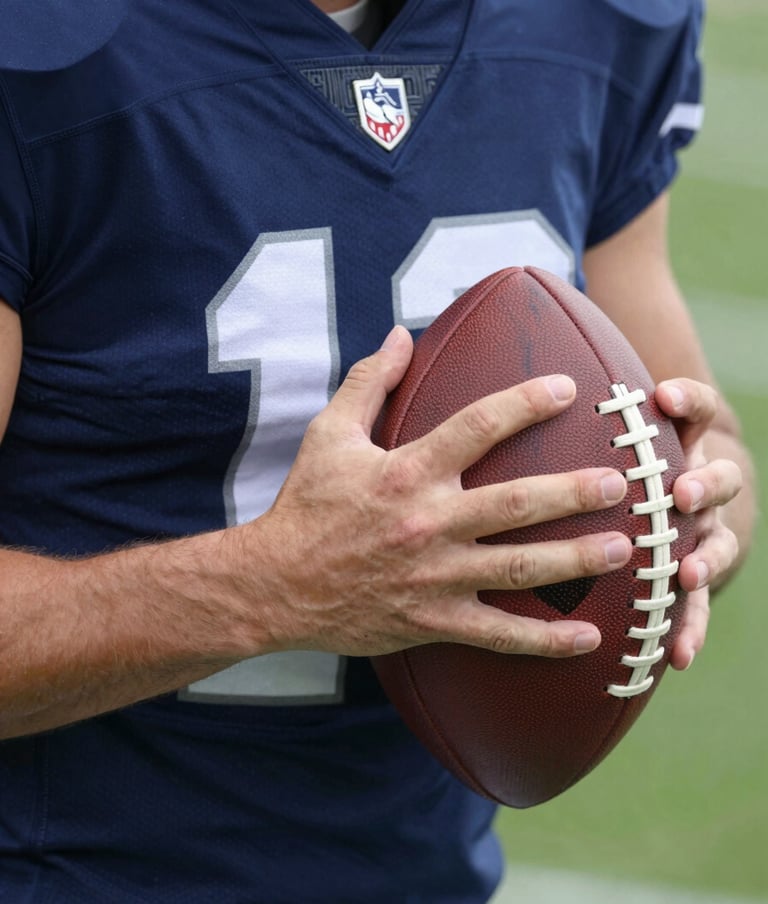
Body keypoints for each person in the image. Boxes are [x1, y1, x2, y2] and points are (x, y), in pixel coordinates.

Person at [0, 0, 754, 901]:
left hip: (424, 871)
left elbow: (707, 449)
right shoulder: (36, 47)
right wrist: (273, 584)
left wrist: (690, 518)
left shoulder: (597, 22)